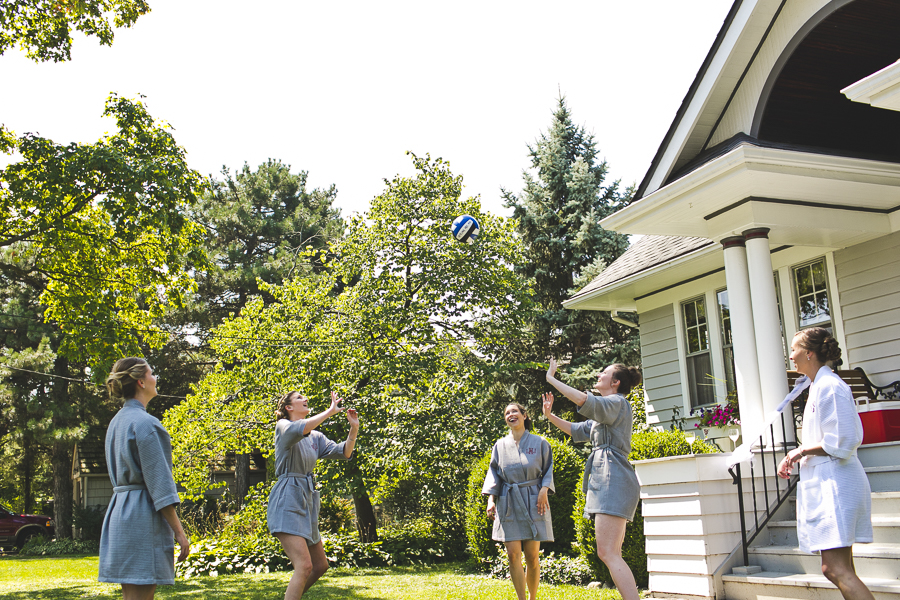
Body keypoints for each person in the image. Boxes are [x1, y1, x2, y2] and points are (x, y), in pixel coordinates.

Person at [777, 328, 874, 600]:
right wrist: (798, 453)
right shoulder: (817, 386)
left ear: (809, 352)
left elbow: (844, 440)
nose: (791, 355)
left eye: (794, 349)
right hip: (829, 483)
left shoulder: (831, 387)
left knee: (834, 568)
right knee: (840, 568)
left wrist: (798, 452)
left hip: (838, 485)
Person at [543, 359, 642, 600]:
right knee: (611, 552)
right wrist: (550, 416)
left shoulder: (616, 402)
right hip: (610, 478)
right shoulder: (605, 412)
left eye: (605, 373)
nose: (599, 374)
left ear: (615, 382)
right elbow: (578, 430)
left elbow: (583, 400)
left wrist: (552, 379)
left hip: (613, 478)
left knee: (608, 553)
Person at [99, 358, 190, 600]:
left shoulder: (116, 422)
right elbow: (159, 485)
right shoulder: (146, 424)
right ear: (141, 381)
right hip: (142, 516)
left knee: (131, 595)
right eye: (152, 373)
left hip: (120, 513)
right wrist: (179, 533)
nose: (155, 378)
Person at [267, 390, 359, 600]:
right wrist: (330, 411)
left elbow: (344, 452)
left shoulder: (315, 437)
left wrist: (353, 429)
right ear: (288, 407)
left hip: (306, 500)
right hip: (288, 498)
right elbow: (301, 428)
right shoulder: (283, 426)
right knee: (304, 565)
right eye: (299, 398)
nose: (305, 399)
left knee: (319, 566)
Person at [483, 403, 554, 600]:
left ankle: (532, 597)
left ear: (524, 415)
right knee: (513, 555)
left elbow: (548, 469)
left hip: (534, 499)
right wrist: (491, 499)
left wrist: (544, 490)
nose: (510, 415)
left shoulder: (540, 443)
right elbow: (494, 473)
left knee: (532, 556)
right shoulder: (499, 445)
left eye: (514, 411)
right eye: (506, 413)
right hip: (508, 501)